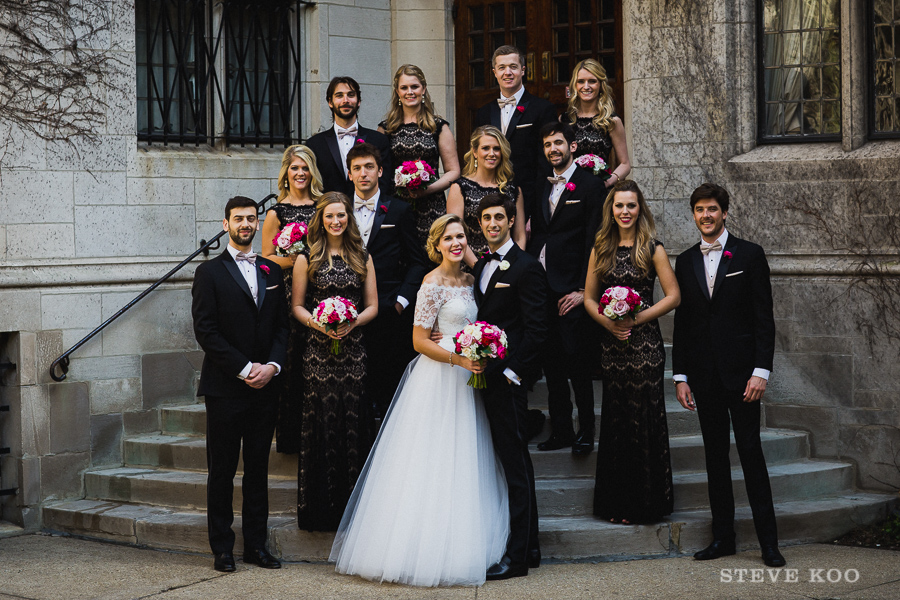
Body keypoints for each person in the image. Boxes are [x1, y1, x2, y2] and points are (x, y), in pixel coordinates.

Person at [330, 214, 509, 587]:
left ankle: (465, 537)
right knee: (435, 456)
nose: (456, 243)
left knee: (467, 453)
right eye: (449, 238)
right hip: (441, 375)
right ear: (437, 245)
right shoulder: (430, 283)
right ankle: (424, 548)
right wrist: (460, 359)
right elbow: (419, 341)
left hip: (470, 374)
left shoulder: (471, 280)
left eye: (461, 236)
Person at [672, 183, 784, 568]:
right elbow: (683, 323)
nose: (706, 215)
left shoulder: (750, 255)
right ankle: (724, 538)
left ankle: (769, 543)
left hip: (743, 378)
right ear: (693, 214)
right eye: (700, 210)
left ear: (724, 213)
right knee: (715, 458)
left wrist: (761, 371)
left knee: (751, 454)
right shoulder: (684, 261)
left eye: (712, 209)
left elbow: (763, 318)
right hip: (704, 377)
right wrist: (681, 376)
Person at [191, 196, 288, 572]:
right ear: (226, 223)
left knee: (258, 471)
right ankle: (223, 548)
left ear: (258, 222)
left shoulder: (272, 270)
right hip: (225, 388)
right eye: (239, 218)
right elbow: (206, 331)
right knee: (222, 471)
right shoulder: (209, 273)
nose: (246, 224)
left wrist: (273, 366)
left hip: (267, 387)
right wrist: (246, 368)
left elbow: (282, 326)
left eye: (251, 218)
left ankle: (256, 547)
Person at [584, 180, 679, 524]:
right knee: (617, 420)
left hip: (645, 347)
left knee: (644, 421)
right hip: (612, 345)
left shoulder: (653, 248)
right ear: (611, 209)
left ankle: (646, 505)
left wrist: (635, 319)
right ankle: (616, 504)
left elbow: (672, 296)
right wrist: (608, 323)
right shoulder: (600, 248)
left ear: (640, 209)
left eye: (631, 206)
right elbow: (589, 298)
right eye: (619, 206)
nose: (625, 212)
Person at [291, 192, 379, 531]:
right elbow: (297, 306)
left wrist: (352, 321)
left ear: (349, 218)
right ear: (321, 219)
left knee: (353, 421)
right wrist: (319, 322)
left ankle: (354, 509)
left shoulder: (362, 256)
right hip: (317, 353)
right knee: (322, 423)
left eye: (341, 215)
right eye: (330, 216)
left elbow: (373, 305)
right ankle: (320, 511)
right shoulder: (307, 257)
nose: (336, 221)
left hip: (354, 351)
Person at [473, 193, 548, 580]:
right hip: (485, 379)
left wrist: (513, 373)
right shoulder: (482, 264)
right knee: (510, 463)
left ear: (510, 220)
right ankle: (530, 546)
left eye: (499, 217)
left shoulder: (525, 267)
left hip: (508, 382)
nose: (492, 223)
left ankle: (517, 558)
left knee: (517, 467)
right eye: (486, 218)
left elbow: (538, 331)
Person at [528, 122, 604, 455]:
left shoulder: (590, 185)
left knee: (578, 364)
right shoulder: (539, 186)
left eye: (558, 143)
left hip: (572, 290)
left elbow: (595, 242)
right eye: (547, 145)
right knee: (553, 365)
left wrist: (582, 291)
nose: (552, 149)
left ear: (572, 147)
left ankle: (585, 430)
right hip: (542, 289)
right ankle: (560, 429)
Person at [345, 142, 428, 427]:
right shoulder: (338, 210)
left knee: (389, 380)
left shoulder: (399, 210)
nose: (363, 173)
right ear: (349, 173)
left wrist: (402, 301)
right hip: (348, 311)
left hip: (389, 309)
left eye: (369, 167)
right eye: (357, 168)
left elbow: (418, 261)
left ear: (380, 171)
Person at [260, 144, 323, 454]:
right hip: (287, 294)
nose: (300, 173)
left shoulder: (323, 207)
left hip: (321, 290)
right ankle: (290, 437)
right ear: (286, 173)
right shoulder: (276, 212)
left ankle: (317, 430)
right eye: (295, 168)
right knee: (292, 359)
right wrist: (300, 257)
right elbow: (266, 260)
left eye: (305, 167)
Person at [379, 64, 460, 248]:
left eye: (414, 87)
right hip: (396, 206)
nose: (410, 92)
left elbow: (453, 171)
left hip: (432, 207)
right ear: (397, 92)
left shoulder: (439, 126)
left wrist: (427, 189)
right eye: (404, 87)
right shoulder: (386, 129)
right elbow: (381, 171)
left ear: (423, 89)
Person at [474, 45, 557, 221]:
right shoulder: (484, 113)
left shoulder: (543, 109)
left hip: (528, 199)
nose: (508, 72)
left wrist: (535, 213)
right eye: (502, 68)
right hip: (490, 202)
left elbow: (546, 164)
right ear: (494, 72)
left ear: (523, 70)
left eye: (513, 66)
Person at [447, 125, 526, 267]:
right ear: (475, 152)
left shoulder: (514, 190)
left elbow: (520, 237)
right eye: (485, 148)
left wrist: (511, 267)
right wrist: (479, 268)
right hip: (470, 268)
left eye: (496, 148)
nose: (492, 153)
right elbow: (456, 235)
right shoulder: (459, 188)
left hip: (506, 269)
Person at [305, 76, 393, 196]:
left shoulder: (378, 140)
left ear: (359, 101)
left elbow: (385, 183)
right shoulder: (314, 144)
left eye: (351, 95)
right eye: (339, 95)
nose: (345, 100)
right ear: (330, 102)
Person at [564, 59, 631, 189]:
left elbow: (625, 164)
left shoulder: (611, 121)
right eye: (581, 81)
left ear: (601, 85)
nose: (586, 86)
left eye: (592, 81)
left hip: (599, 191)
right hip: (570, 189)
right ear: (575, 85)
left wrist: (606, 183)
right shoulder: (566, 119)